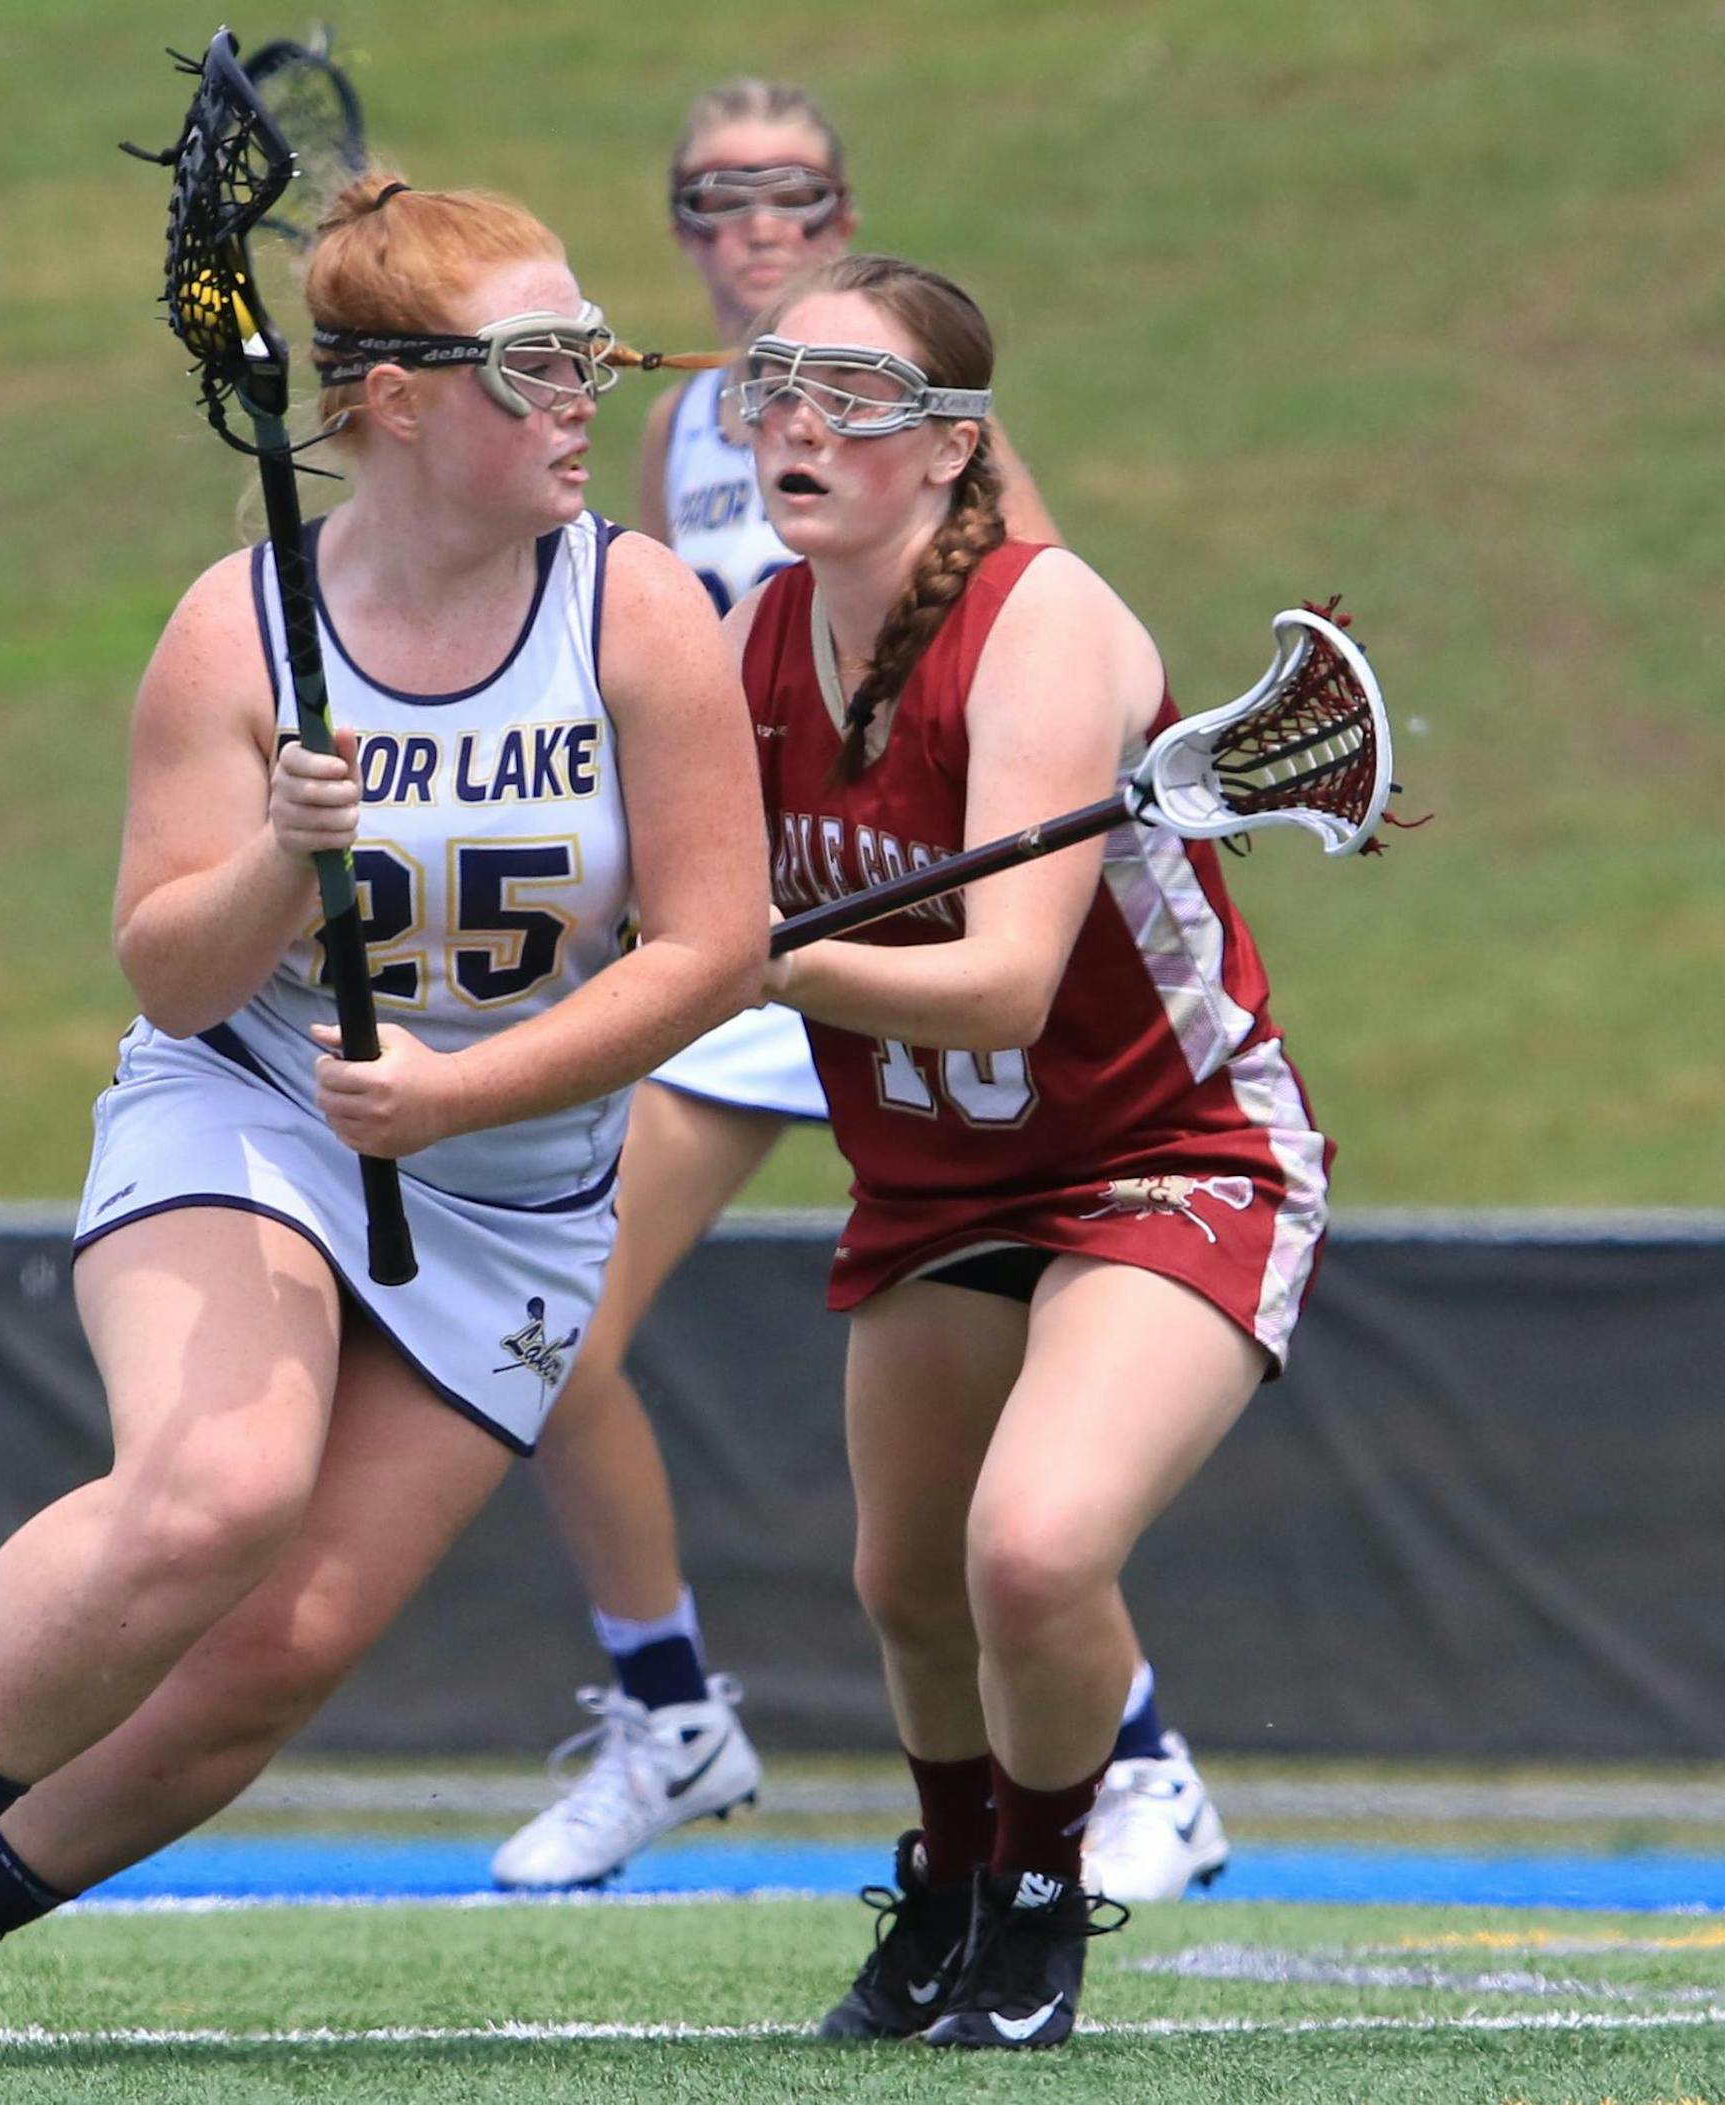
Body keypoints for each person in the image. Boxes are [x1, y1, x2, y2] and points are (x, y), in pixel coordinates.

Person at [0, 171, 765, 2060]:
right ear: (394, 399)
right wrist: (286, 867)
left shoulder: (639, 611)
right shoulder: (240, 631)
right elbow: (166, 969)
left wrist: (466, 1088)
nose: (590, 395)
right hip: (261, 1110)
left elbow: (711, 953)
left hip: (520, 1188)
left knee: (278, 1653)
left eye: (591, 354)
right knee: (218, 1488)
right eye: (539, 362)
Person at [492, 78, 1227, 1907]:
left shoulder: (934, 437)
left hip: (925, 926)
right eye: (713, 196)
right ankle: (670, 1710)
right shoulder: (673, 434)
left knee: (1013, 1494)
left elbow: (1046, 635)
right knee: (559, 1329)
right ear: (677, 227)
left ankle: (1139, 1766)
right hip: (782, 914)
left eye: (791, 194)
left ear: (840, 215)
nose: (752, 225)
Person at [730, 254, 1330, 2049]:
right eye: (776, 385)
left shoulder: (1045, 623)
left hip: (1172, 1148)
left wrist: (749, 955)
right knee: (904, 1586)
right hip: (937, 1181)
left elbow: (997, 987)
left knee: (1034, 1550)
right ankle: (947, 1891)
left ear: (951, 447)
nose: (801, 423)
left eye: (857, 398)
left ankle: (1045, 1904)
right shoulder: (754, 638)